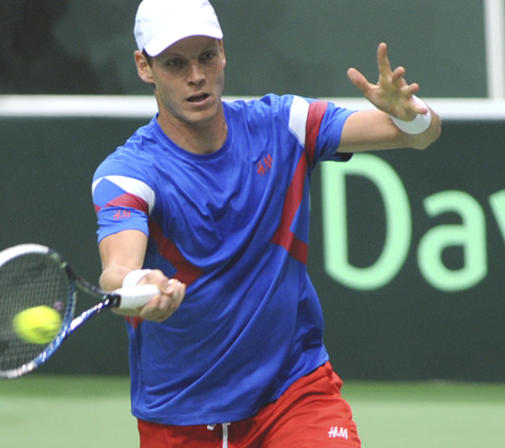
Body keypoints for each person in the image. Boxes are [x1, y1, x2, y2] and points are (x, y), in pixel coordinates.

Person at [90, 0, 440, 446]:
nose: (196, 76)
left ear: (223, 52)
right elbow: (116, 271)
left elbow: (420, 136)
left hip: (293, 394)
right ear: (145, 66)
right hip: (179, 414)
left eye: (206, 57)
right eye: (175, 63)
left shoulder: (283, 125)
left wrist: (412, 115)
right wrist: (139, 288)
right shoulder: (129, 172)